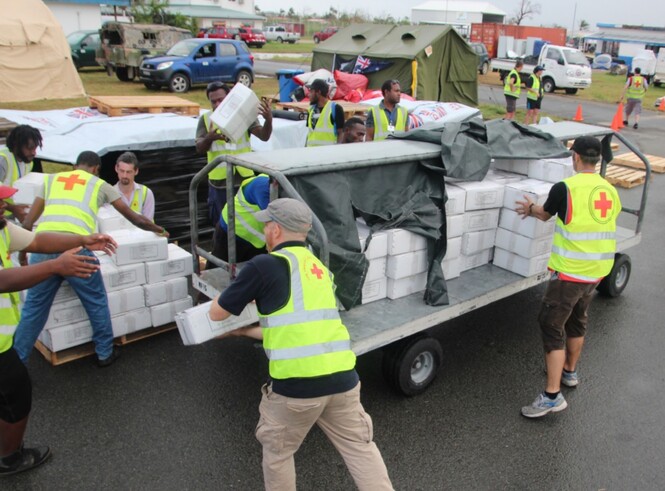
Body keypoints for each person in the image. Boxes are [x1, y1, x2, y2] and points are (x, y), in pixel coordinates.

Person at [209, 198, 393, 491]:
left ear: (277, 230)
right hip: (343, 382)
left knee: (279, 455)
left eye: (267, 224)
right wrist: (244, 333)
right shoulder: (319, 269)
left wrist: (239, 298)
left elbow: (217, 313)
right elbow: (297, 331)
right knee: (361, 449)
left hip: (295, 390)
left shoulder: (264, 265)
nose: (265, 230)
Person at [0, 183, 117, 476]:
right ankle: (9, 458)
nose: (5, 205)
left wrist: (81, 239)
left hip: (4, 339)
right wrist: (56, 267)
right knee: (16, 395)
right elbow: (2, 280)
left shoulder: (3, 228)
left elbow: (37, 241)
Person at [14, 151, 168, 366]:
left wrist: (23, 254)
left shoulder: (52, 179)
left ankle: (16, 363)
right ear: (97, 168)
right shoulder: (99, 184)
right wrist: (160, 230)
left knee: (34, 307)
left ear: (76, 165)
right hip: (76, 247)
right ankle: (104, 353)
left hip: (44, 245)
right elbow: (134, 218)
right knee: (95, 300)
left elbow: (29, 222)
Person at [516, 136, 622, 418]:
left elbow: (544, 214)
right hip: (597, 270)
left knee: (551, 326)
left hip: (570, 273)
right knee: (578, 319)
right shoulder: (609, 189)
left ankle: (552, 396)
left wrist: (529, 208)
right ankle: (570, 372)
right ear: (597, 160)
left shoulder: (566, 187)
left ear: (574, 157)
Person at [195, 82, 273, 225]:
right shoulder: (206, 120)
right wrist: (209, 138)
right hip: (220, 183)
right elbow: (199, 148)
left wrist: (268, 120)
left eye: (221, 100)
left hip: (244, 180)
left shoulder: (244, 114)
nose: (218, 104)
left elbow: (264, 136)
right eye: (214, 101)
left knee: (248, 221)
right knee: (222, 224)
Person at [209, 173, 270, 268]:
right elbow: (276, 219)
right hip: (232, 232)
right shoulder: (262, 186)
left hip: (257, 241)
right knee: (218, 270)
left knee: (252, 273)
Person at [0, 125, 42, 223]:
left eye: (35, 148)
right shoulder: (3, 161)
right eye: (30, 148)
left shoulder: (28, 162)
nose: (34, 153)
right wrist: (13, 209)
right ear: (16, 145)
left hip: (11, 213)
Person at [113, 151, 155, 220]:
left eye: (129, 172)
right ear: (116, 168)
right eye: (122, 171)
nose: (124, 175)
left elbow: (149, 224)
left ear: (136, 171)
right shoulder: (109, 194)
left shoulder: (146, 193)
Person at [306, 79, 345, 147]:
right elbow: (309, 134)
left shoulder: (335, 109)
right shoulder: (311, 110)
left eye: (311, 91)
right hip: (311, 154)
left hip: (327, 154)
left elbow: (341, 133)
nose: (309, 95)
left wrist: (338, 151)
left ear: (318, 92)